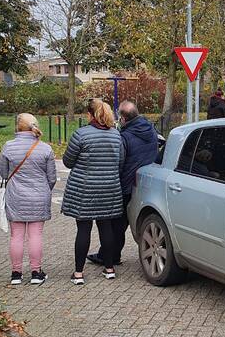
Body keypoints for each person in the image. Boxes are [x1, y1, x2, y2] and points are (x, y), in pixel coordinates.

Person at [88, 101, 158, 267]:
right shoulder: (151, 130)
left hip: (126, 184)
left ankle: (110, 256)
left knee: (116, 224)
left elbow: (119, 162)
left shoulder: (125, 136)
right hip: (146, 182)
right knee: (123, 223)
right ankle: (109, 254)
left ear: (123, 119)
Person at [61, 98, 123, 285]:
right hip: (109, 187)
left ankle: (79, 273)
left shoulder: (81, 134)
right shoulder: (116, 135)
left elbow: (67, 161)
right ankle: (109, 268)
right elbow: (120, 163)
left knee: (84, 228)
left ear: (89, 114)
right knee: (106, 227)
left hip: (85, 189)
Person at [0, 113, 56, 286]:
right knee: (35, 235)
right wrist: (45, 189)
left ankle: (16, 273)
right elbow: (51, 177)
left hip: (16, 196)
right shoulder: (45, 148)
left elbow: (3, 172)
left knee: (16, 236)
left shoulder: (8, 147)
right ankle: (36, 272)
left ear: (17, 126)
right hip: (39, 197)